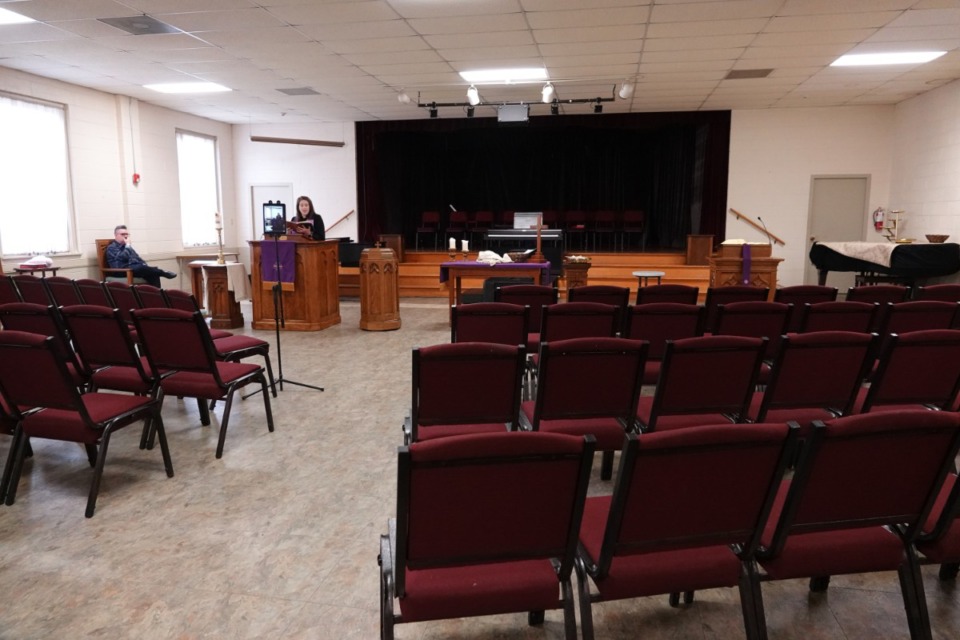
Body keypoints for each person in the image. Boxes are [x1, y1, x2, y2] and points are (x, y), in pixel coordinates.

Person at [105, 225, 177, 287]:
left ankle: (157, 297)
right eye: (123, 234)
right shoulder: (112, 247)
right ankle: (162, 272)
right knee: (142, 268)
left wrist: (144, 264)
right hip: (121, 270)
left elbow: (137, 258)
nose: (126, 236)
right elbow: (123, 257)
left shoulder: (127, 246)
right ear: (116, 235)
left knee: (153, 274)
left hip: (134, 269)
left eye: (127, 234)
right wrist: (128, 245)